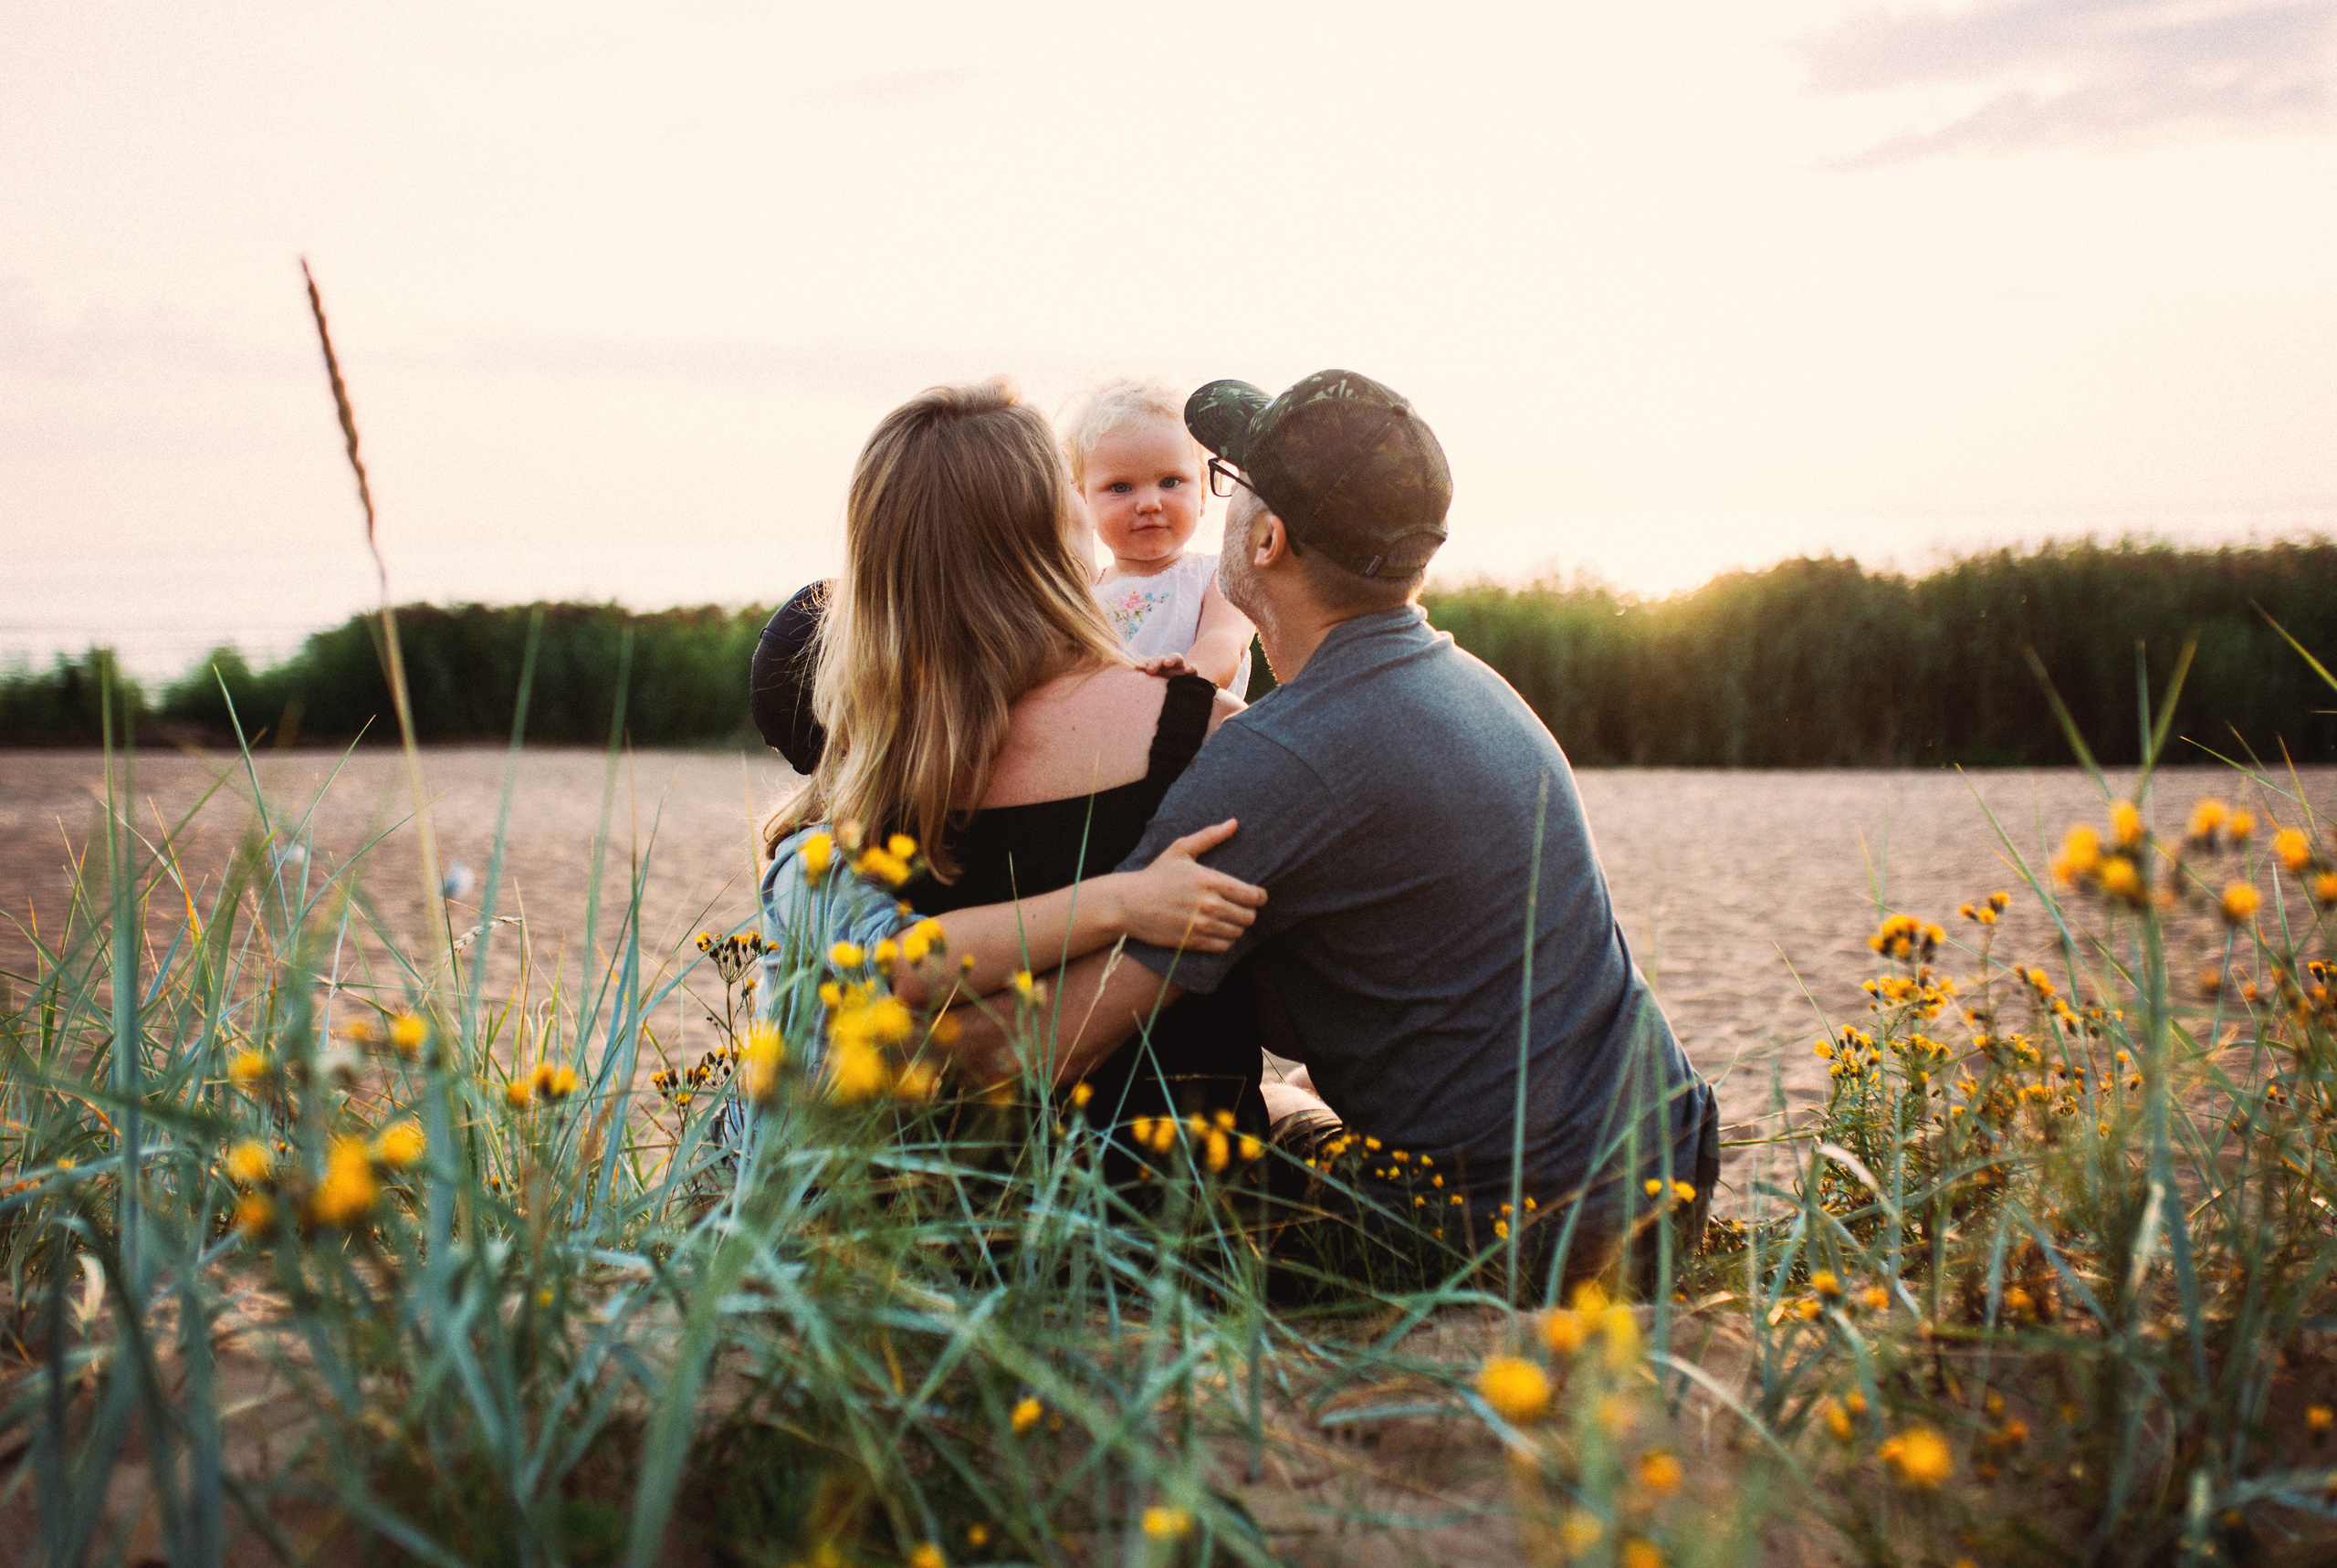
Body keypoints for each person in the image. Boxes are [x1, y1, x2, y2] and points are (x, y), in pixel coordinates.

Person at [936, 370, 1718, 1291]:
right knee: (1291, 1090)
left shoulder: (1275, 761)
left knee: (1257, 1120)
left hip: (1509, 1233)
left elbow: (1033, 1051)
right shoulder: (1477, 687)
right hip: (1665, 1167)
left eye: (1222, 486)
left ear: (1266, 541)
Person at [757, 378, 1270, 1137]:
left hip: (924, 1229)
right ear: (1055, 543)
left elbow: (898, 1050)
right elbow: (1299, 1018)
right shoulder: (1207, 734)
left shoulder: (866, 786)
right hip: (1174, 1214)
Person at [1064, 380, 1255, 695]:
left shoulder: (1219, 576)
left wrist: (1190, 678)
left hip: (1192, 732)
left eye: (1170, 481)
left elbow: (1225, 640)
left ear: (1203, 492)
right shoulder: (1083, 596)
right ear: (1084, 502)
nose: (1149, 503)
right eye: (1121, 487)